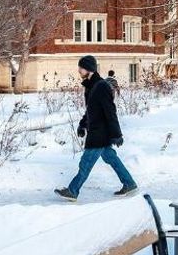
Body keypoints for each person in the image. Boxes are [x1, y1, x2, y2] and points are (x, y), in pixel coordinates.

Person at [55, 55, 138, 201]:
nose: (79, 70)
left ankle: (73, 191)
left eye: (81, 67)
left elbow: (110, 111)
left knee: (85, 162)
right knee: (111, 158)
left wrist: (117, 134)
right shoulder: (92, 85)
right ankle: (129, 183)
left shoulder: (101, 86)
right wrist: (82, 124)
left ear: (89, 69)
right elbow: (91, 110)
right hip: (96, 130)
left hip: (100, 133)